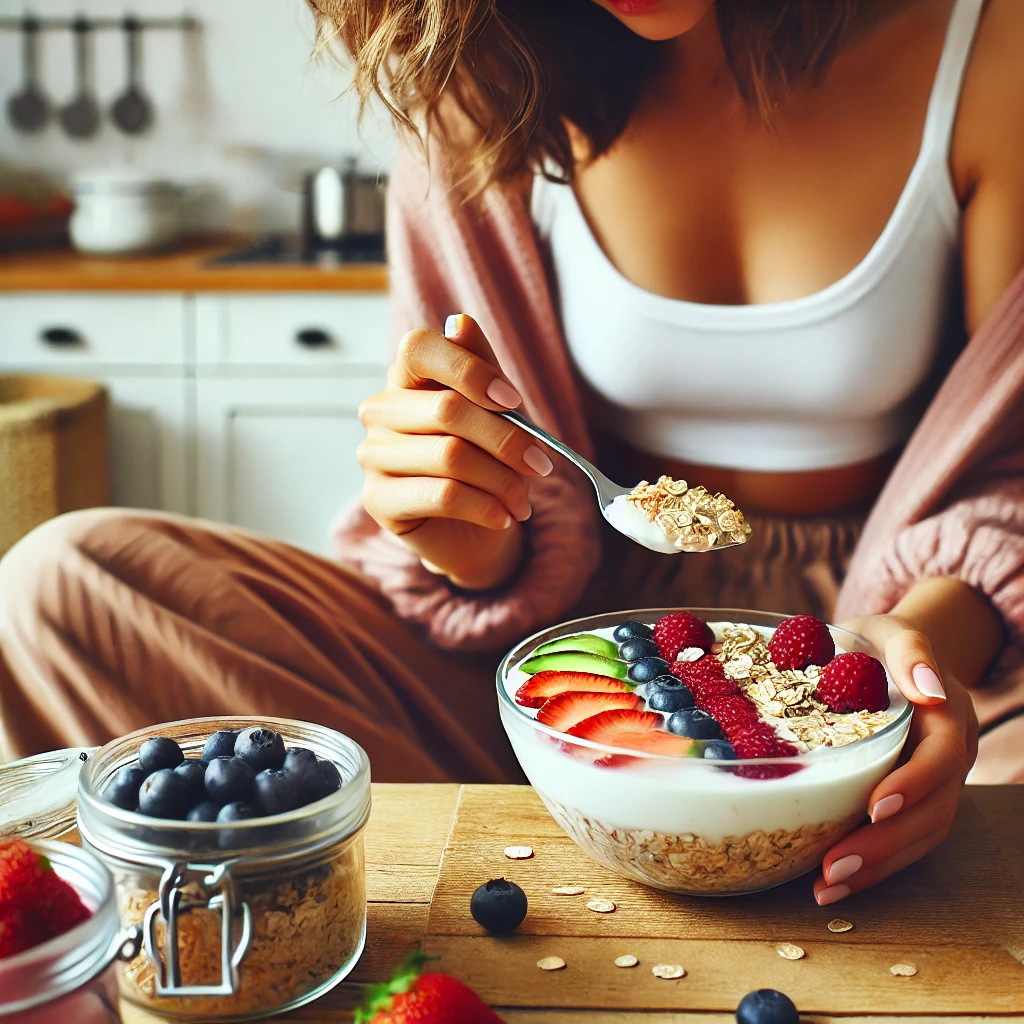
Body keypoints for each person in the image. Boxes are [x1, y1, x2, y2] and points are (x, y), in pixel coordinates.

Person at [1, 0, 1022, 909]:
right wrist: (464, 532)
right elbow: (491, 526)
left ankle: (548, 883)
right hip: (569, 658)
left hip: (898, 627)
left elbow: (1009, 467)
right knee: (63, 587)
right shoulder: (483, 86)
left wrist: (911, 654)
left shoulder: (986, 47)